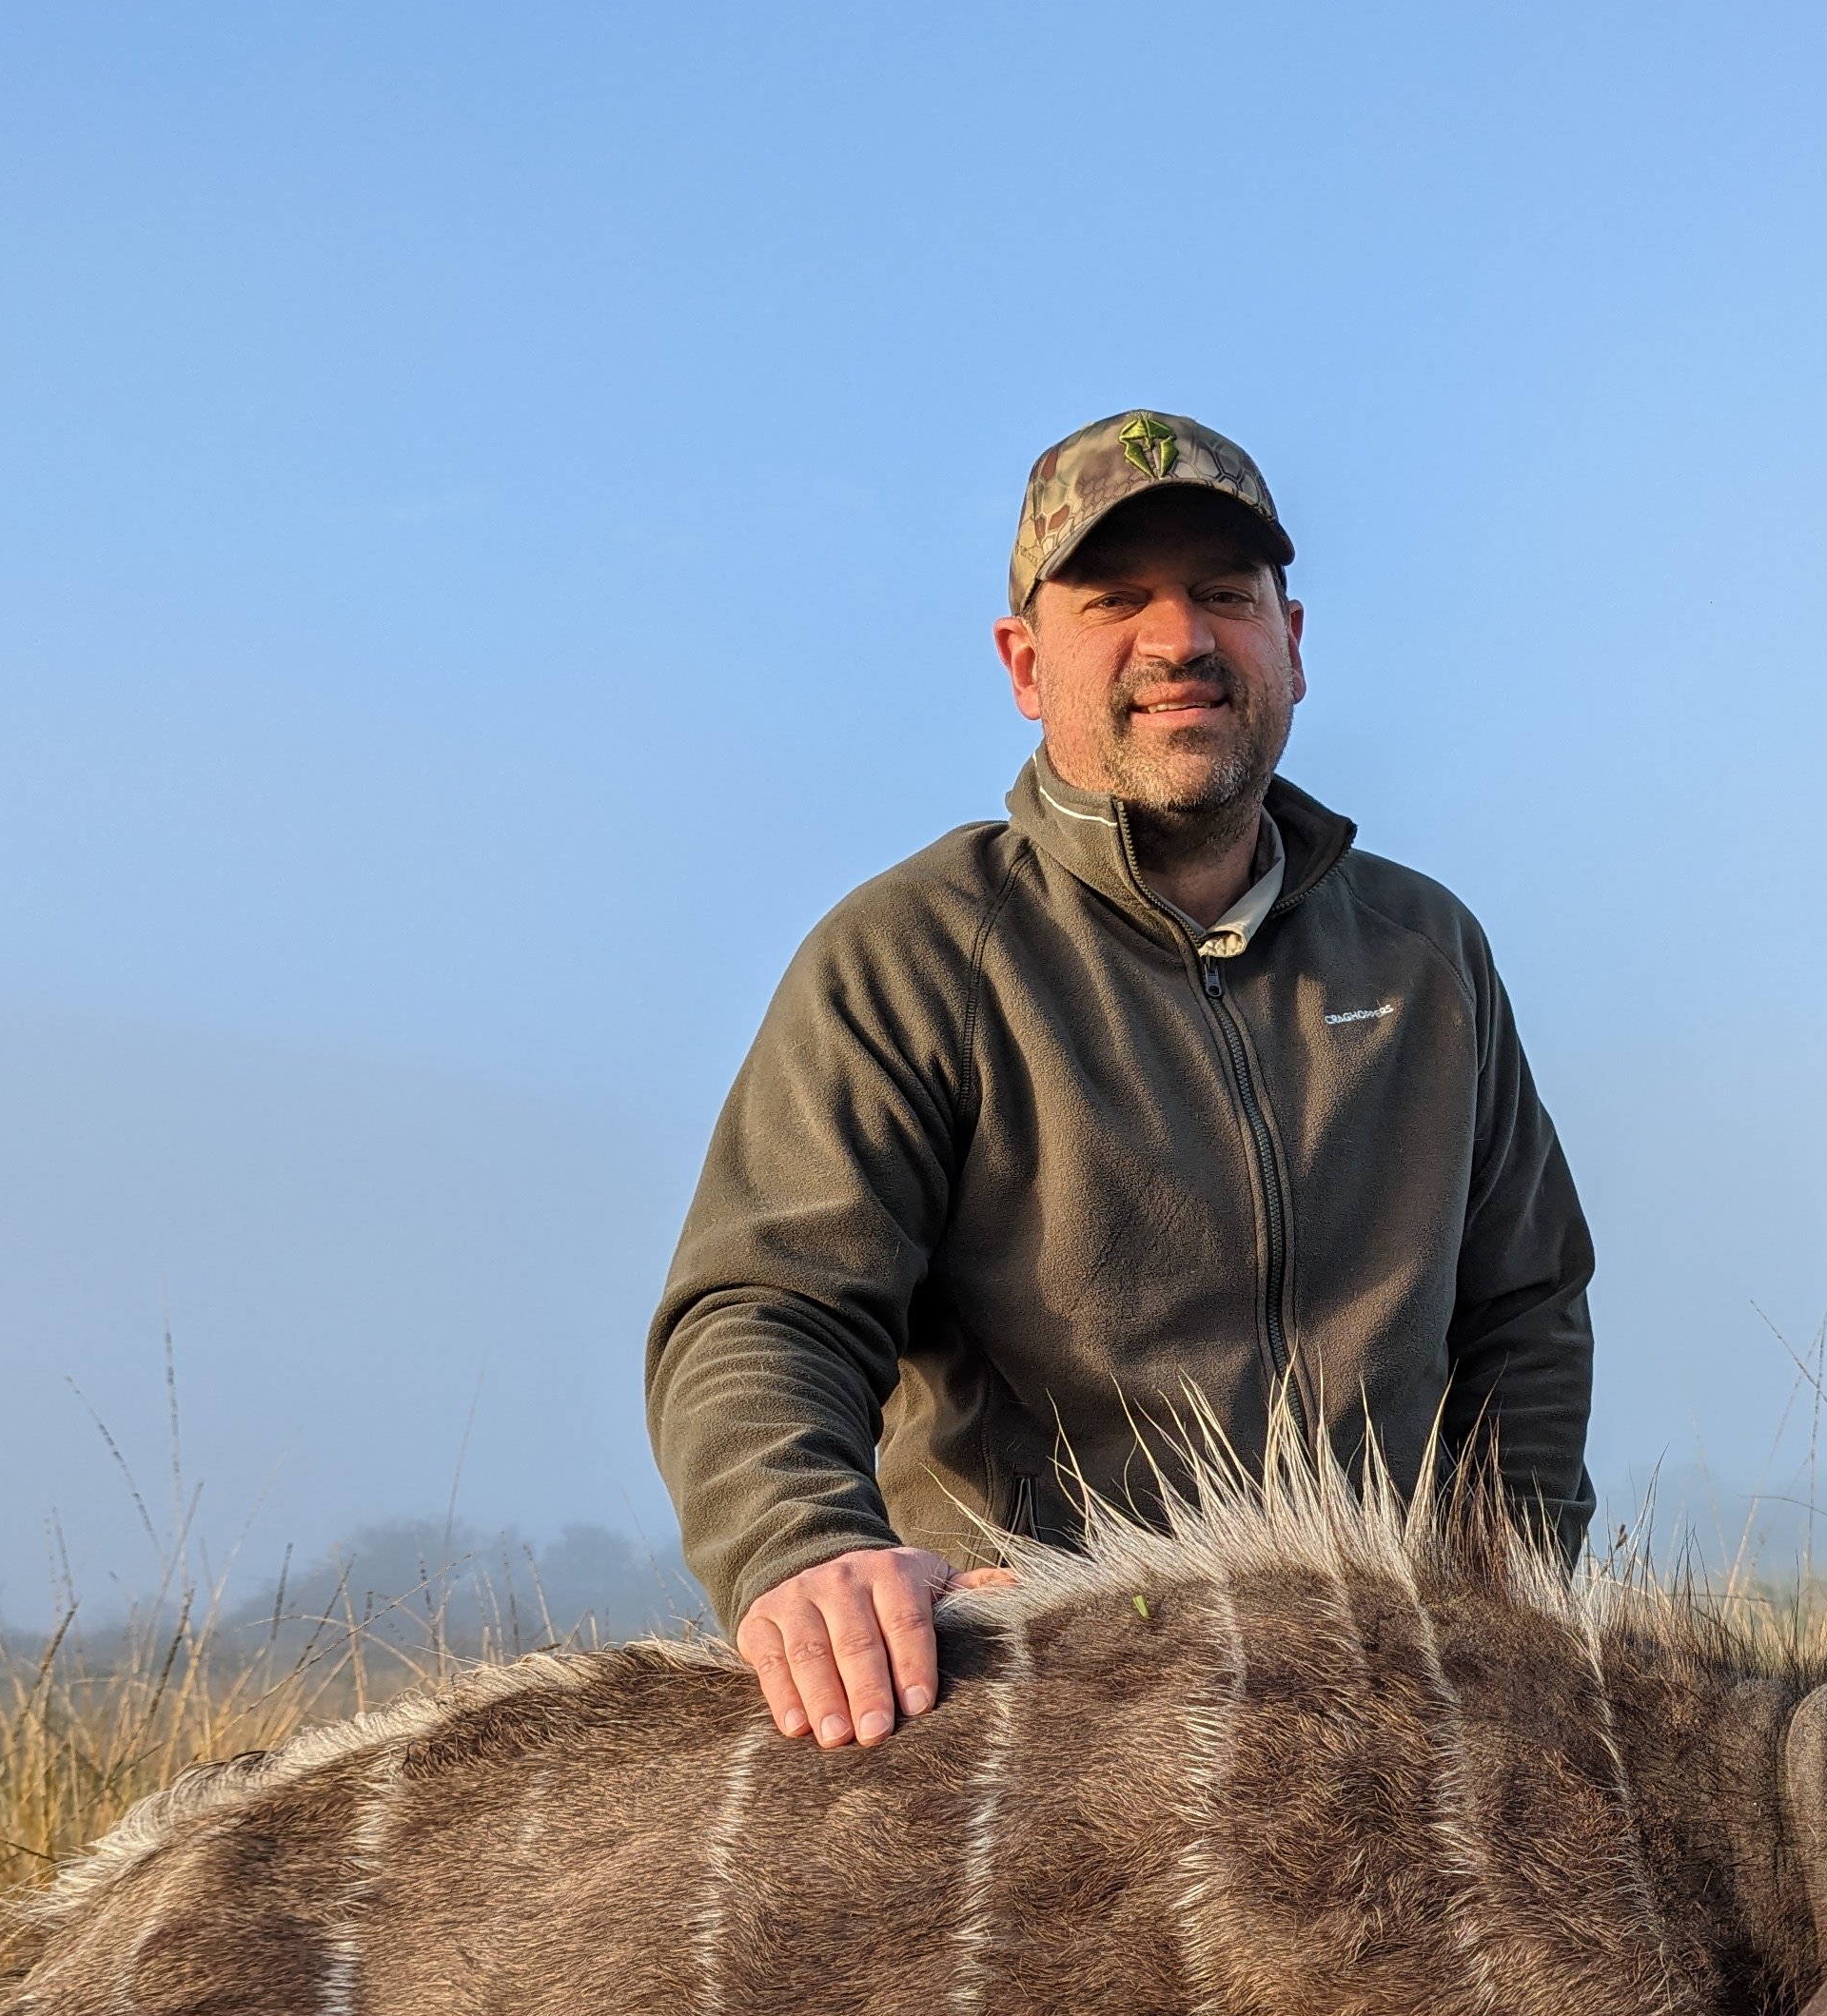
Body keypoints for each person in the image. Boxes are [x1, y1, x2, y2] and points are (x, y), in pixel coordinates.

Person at [648, 409, 1596, 1750]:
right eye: (1117, 601)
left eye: (1225, 595)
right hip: (1050, 1713)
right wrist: (801, 1550)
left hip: (1394, 1703)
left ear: (1293, 643)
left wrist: (1512, 1595)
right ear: (1026, 665)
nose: (1182, 641)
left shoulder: (1427, 952)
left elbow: (1529, 1308)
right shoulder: (911, 954)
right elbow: (762, 1312)